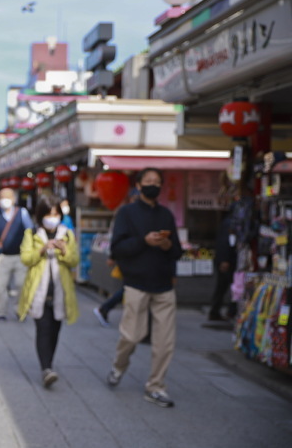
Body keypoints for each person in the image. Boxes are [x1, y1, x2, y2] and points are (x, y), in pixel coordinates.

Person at [106, 167, 182, 408]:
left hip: (163, 285)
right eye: (148, 181)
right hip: (136, 283)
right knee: (131, 335)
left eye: (157, 182)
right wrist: (143, 241)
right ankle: (119, 367)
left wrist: (167, 244)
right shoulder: (126, 213)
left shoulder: (167, 215)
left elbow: (177, 251)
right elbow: (117, 248)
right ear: (138, 186)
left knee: (165, 342)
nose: (153, 185)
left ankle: (156, 386)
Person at [18, 196, 79, 388]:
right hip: (39, 291)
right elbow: (26, 258)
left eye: (55, 214)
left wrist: (64, 251)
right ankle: (46, 368)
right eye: (48, 214)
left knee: (55, 330)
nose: (52, 218)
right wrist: (43, 249)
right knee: (43, 329)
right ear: (40, 215)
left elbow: (74, 260)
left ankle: (49, 365)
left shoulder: (67, 234)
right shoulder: (31, 233)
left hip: (60, 291)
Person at [0, 187, 34, 320]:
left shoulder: (22, 212)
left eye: (8, 197)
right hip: (2, 257)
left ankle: (20, 310)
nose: (5, 200)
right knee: (0, 286)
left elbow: (31, 231)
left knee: (21, 284)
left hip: (21, 256)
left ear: (14, 199)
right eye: (2, 197)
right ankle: (1, 312)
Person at [93, 188, 140, 328]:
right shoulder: (125, 213)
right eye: (135, 198)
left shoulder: (137, 213)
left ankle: (107, 309)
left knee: (131, 286)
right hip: (127, 256)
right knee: (130, 286)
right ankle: (105, 308)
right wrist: (113, 255)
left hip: (135, 256)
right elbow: (117, 236)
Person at [209, 211, 237, 321]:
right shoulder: (230, 223)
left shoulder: (229, 222)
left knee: (224, 287)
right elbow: (224, 242)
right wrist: (224, 260)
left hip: (227, 259)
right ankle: (220, 311)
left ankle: (223, 311)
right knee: (224, 287)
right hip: (227, 260)